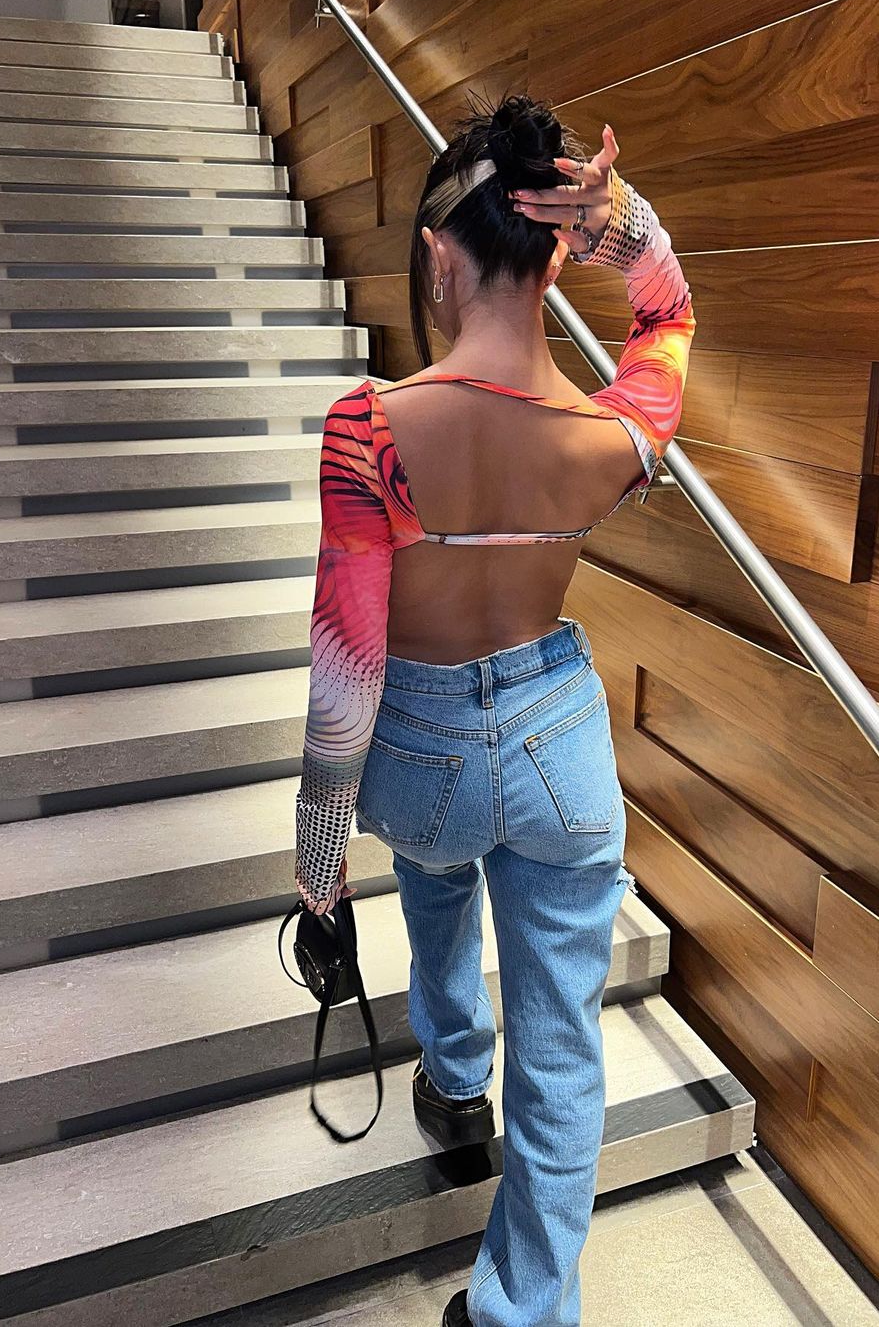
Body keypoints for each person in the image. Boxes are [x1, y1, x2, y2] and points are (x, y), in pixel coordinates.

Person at [293, 90, 694, 1327]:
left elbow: (346, 664)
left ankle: (455, 1074)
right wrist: (624, 224)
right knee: (565, 1044)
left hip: (417, 753)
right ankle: (522, 1310)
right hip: (559, 741)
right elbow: (671, 314)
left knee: (433, 871)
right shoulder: (617, 433)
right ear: (556, 255)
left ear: (438, 254)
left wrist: (318, 858)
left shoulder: (367, 429)